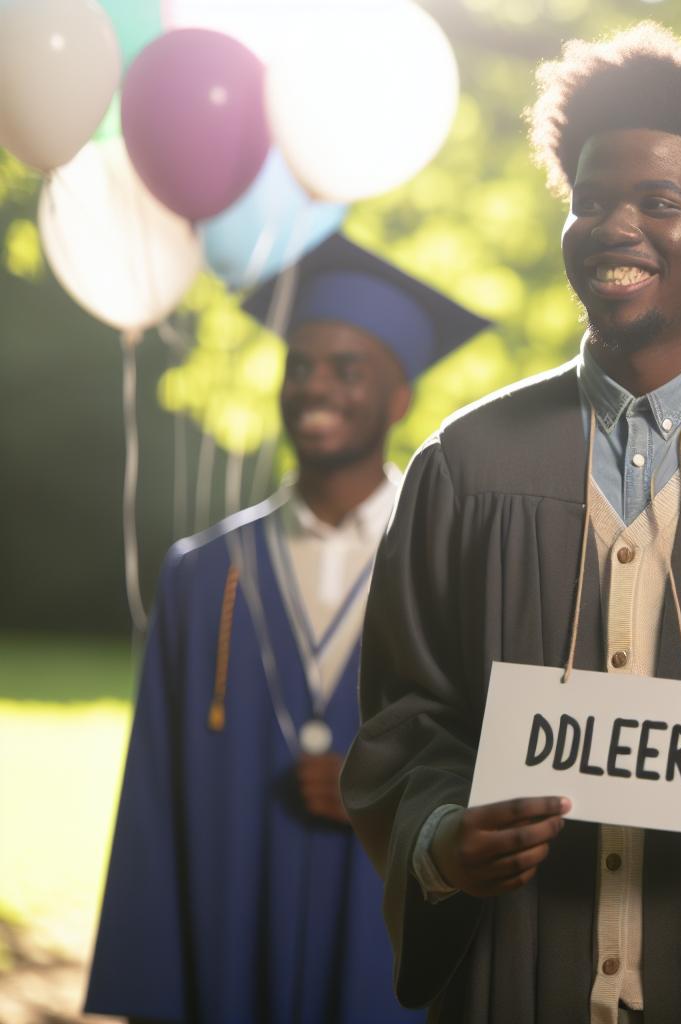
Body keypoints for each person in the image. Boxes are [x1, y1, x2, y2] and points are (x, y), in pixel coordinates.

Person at [337, 22, 681, 1023]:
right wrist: (440, 839)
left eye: (658, 201)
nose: (614, 224)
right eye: (590, 201)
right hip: (517, 980)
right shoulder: (468, 468)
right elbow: (402, 721)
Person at [86, 233, 487, 1023]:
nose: (315, 387)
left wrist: (390, 800)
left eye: (348, 369)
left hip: (386, 933)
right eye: (299, 365)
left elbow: (499, 765)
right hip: (230, 929)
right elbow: (152, 804)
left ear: (398, 398)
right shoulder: (204, 576)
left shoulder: (461, 570)